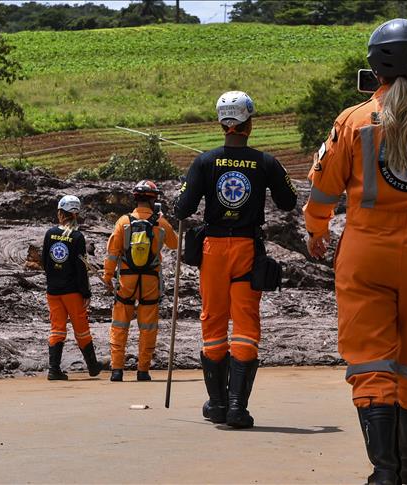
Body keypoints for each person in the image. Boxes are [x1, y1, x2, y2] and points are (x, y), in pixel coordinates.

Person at [303, 19, 407, 485]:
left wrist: (316, 230)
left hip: (365, 249)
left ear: (375, 68)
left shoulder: (352, 121)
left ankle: (385, 471)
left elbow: (323, 188)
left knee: (371, 359)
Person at [174, 90, 297, 429]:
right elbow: (289, 201)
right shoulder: (265, 162)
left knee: (213, 323)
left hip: (212, 250)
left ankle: (216, 404)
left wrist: (185, 193)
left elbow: (181, 208)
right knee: (245, 327)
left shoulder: (204, 161)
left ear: (221, 124)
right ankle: (236, 409)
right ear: (250, 122)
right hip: (247, 250)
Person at [103, 180, 178, 382]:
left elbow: (112, 253)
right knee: (148, 327)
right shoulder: (160, 223)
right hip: (150, 282)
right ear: (154, 200)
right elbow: (175, 243)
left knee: (119, 324)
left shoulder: (123, 222)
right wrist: (163, 221)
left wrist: (107, 276)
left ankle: (117, 370)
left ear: (136, 198)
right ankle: (143, 371)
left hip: (127, 280)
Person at [42, 195, 107, 380]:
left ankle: (53, 369)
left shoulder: (49, 234)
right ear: (75, 214)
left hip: (53, 291)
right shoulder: (77, 237)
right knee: (81, 329)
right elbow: (81, 268)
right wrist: (86, 292)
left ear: (61, 212)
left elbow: (45, 262)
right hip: (72, 292)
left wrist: (53, 280)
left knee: (57, 329)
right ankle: (93, 366)